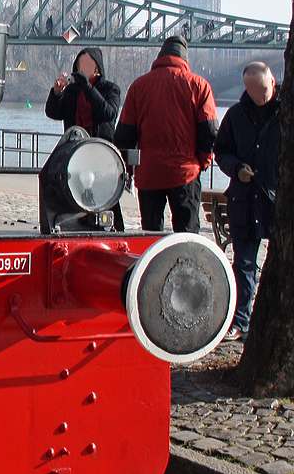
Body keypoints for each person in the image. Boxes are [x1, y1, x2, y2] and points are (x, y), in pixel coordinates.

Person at [114, 36, 218, 233]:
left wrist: (128, 170)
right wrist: (203, 162)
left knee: (151, 235)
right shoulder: (199, 85)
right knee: (187, 236)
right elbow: (210, 132)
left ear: (160, 56)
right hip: (185, 172)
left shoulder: (138, 86)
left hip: (149, 173)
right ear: (184, 57)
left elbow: (124, 135)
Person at [213, 62, 281, 342]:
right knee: (243, 265)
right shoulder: (235, 115)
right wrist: (236, 167)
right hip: (244, 200)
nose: (260, 99)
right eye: (253, 94)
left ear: (273, 82)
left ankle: (274, 322)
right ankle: (240, 321)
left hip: (276, 200)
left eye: (263, 92)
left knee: (279, 265)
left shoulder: (285, 113)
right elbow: (221, 150)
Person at [45, 46, 124, 229]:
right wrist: (57, 93)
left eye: (88, 64)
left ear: (97, 67)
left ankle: (112, 227)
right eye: (81, 64)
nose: (84, 68)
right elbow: (53, 112)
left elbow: (108, 113)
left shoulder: (110, 89)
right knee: (74, 194)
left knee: (105, 196)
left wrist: (87, 87)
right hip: (76, 154)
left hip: (101, 154)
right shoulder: (72, 92)